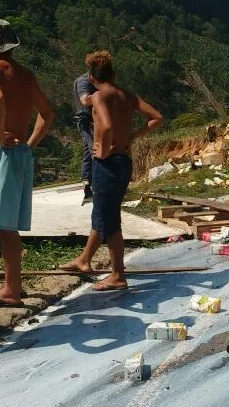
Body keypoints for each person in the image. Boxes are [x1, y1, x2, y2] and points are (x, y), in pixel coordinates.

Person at [60, 51, 164, 290]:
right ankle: (84, 260)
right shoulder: (127, 95)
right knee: (102, 211)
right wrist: (131, 137)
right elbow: (156, 117)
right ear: (113, 74)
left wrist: (104, 150)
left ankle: (118, 274)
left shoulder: (98, 97)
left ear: (91, 77)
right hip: (124, 161)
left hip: (107, 164)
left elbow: (105, 125)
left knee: (110, 219)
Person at [0, 19, 56, 307]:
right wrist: (30, 144)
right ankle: (14, 284)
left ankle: (10, 290)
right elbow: (47, 113)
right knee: (9, 223)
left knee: (5, 225)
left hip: (3, 152)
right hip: (21, 152)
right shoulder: (26, 74)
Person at [73, 64, 97, 204]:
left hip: (91, 121)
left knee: (88, 153)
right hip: (87, 122)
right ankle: (94, 188)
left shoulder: (91, 80)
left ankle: (88, 189)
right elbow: (85, 100)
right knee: (95, 149)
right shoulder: (84, 81)